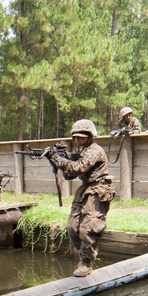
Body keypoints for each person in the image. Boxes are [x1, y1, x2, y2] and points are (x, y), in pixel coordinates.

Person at [48, 118, 115, 277]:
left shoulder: (94, 150)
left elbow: (79, 167)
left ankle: (86, 262)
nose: (78, 140)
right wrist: (59, 160)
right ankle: (86, 253)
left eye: (81, 136)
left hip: (98, 190)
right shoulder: (82, 152)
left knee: (88, 227)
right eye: (75, 137)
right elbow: (70, 174)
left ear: (90, 136)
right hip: (85, 190)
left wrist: (59, 159)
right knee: (72, 226)